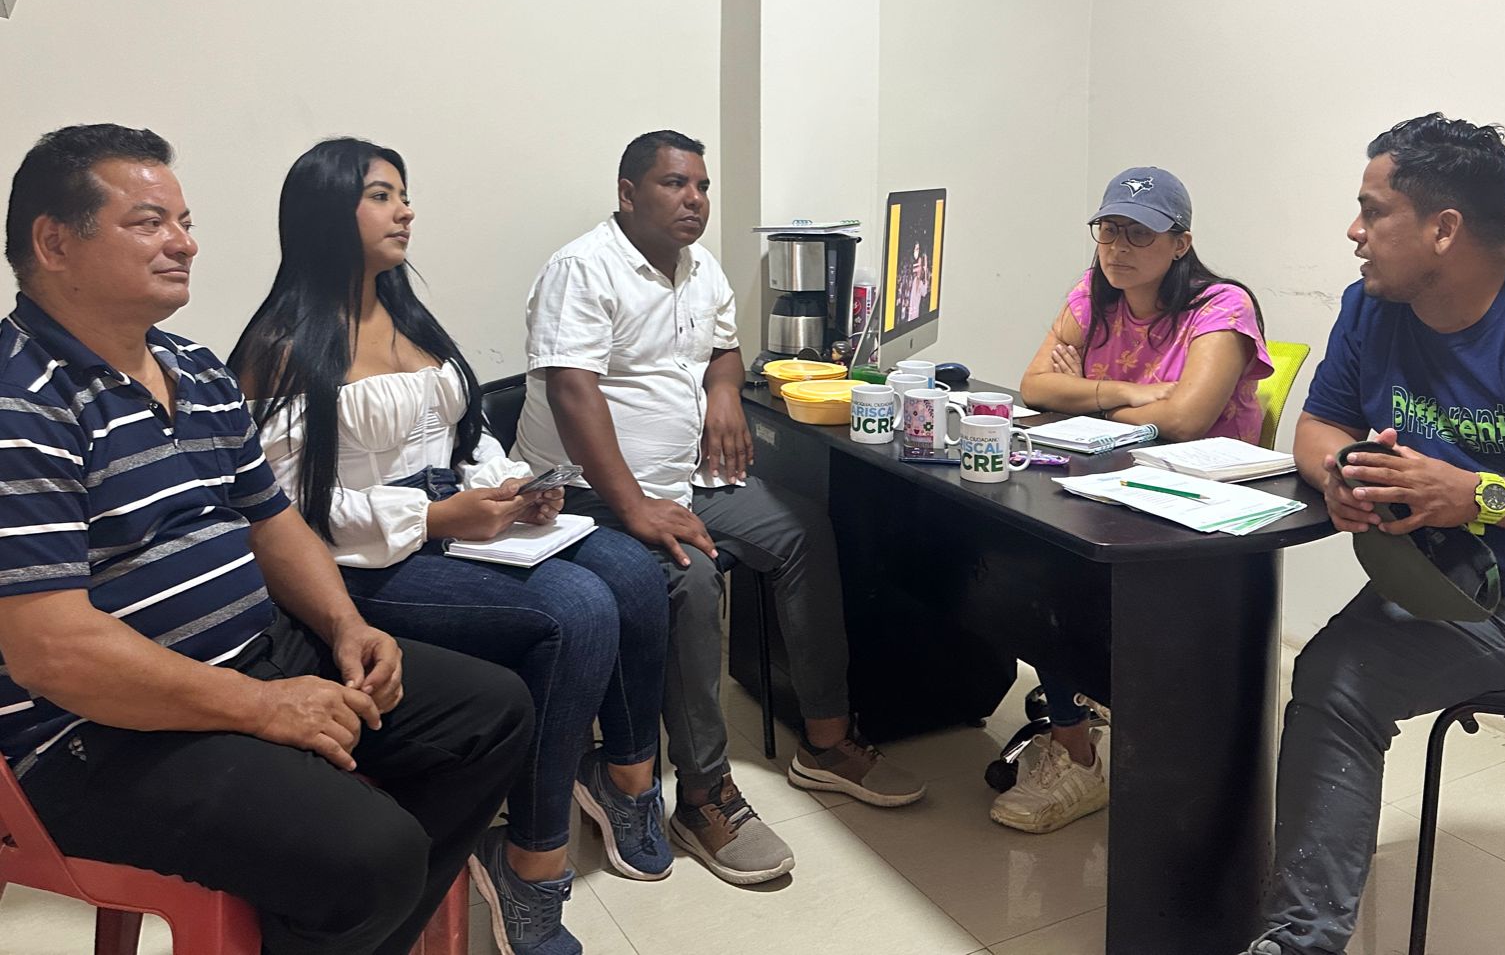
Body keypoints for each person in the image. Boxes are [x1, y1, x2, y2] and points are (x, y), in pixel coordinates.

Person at [0, 124, 533, 955]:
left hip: (255, 654)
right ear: (53, 242)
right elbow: (53, 652)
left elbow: (273, 521)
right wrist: (263, 707)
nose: (186, 242)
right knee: (373, 855)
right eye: (150, 222)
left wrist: (346, 626)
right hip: (96, 733)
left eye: (185, 221)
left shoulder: (194, 369)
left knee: (492, 713)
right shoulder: (22, 400)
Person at [231, 139, 671, 955]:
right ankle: (531, 862)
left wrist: (511, 486)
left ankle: (626, 783)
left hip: (454, 524)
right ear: (326, 212)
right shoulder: (281, 346)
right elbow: (287, 513)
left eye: (404, 193)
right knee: (576, 609)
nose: (405, 210)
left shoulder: (409, 317)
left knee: (634, 572)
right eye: (380, 195)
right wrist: (435, 518)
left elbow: (464, 438)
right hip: (367, 561)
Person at [516, 130, 925, 886]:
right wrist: (635, 506)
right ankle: (703, 794)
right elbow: (573, 392)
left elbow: (724, 349)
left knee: (802, 529)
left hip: (682, 479)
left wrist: (725, 391)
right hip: (583, 493)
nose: (694, 199)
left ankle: (826, 741)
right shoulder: (583, 268)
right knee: (693, 577)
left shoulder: (701, 268)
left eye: (702, 186)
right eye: (674, 184)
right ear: (627, 192)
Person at [1239, 114, 1505, 955]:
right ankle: (1299, 941)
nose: (1354, 232)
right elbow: (1320, 426)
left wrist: (1474, 494)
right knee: (1332, 680)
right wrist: (1341, 475)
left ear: (1444, 229)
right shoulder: (1370, 309)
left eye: (1373, 211)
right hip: (1457, 602)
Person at [1006, 166, 1271, 836]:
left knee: (1061, 575)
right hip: (1107, 488)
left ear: (1181, 243)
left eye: (1140, 234)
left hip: (1197, 514)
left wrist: (1086, 394)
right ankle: (1075, 739)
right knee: (1032, 560)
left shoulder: (1222, 306)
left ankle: (1090, 739)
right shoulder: (1094, 293)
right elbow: (1034, 386)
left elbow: (1185, 419)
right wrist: (1127, 393)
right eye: (1109, 230)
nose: (1118, 248)